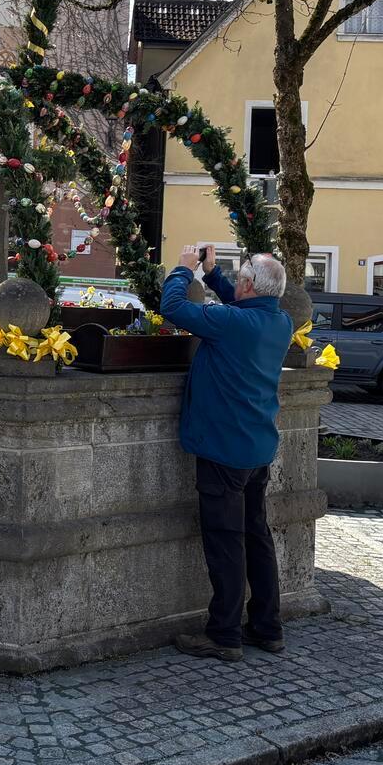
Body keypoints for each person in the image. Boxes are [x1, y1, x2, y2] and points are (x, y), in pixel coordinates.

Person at [159, 244, 294, 662]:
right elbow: (242, 306)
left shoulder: (232, 323)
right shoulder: (280, 321)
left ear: (251, 285)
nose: (236, 281)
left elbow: (174, 308)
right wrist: (214, 274)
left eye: (240, 277)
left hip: (223, 448)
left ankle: (223, 635)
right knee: (257, 536)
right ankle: (268, 627)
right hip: (257, 448)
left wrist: (184, 271)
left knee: (226, 542)